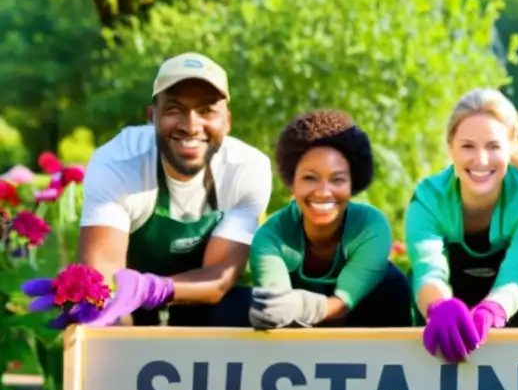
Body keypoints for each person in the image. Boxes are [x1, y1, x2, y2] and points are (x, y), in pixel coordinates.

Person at [25, 52, 272, 327]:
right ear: (152, 117)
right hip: (125, 299)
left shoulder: (247, 169)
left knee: (247, 308)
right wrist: (97, 308)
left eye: (206, 111)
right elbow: (104, 274)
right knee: (102, 324)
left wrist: (152, 288)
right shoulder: (118, 162)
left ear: (227, 121)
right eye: (174, 109)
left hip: (199, 299)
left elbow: (218, 278)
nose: (191, 126)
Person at [405, 88, 518, 363]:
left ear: (510, 146)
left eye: (493, 146)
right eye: (468, 146)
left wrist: (492, 310)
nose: (481, 160)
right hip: (448, 301)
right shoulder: (427, 198)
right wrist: (439, 307)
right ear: (450, 148)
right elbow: (428, 269)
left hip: (514, 306)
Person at [247, 109, 412, 329]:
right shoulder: (270, 238)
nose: (323, 192)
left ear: (352, 184)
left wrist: (302, 306)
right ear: (292, 182)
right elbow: (277, 302)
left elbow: (343, 303)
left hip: (371, 328)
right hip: (299, 344)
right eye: (310, 178)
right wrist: (272, 311)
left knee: (394, 284)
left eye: (337, 179)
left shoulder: (371, 227)